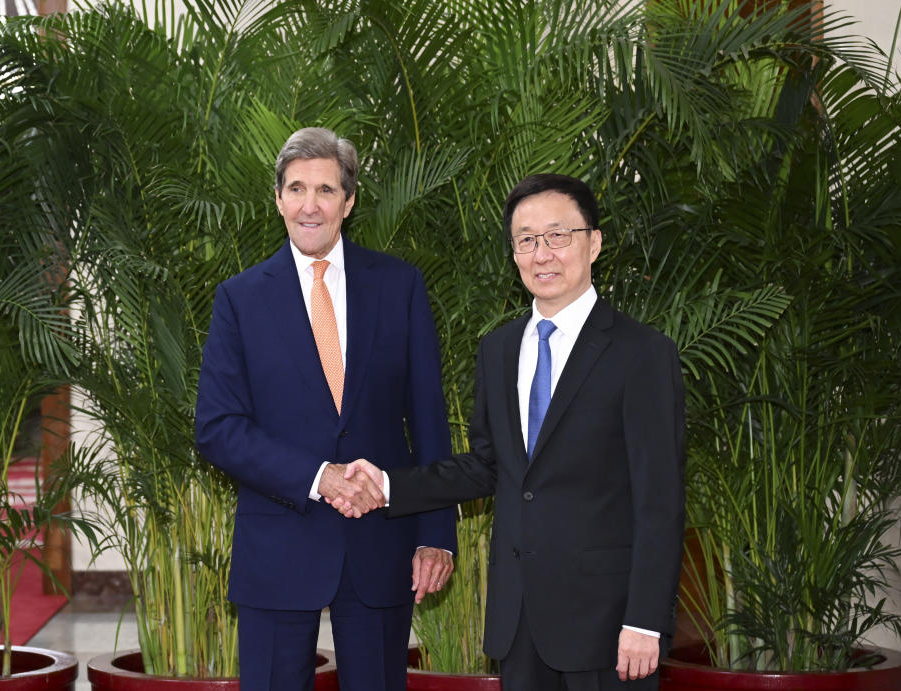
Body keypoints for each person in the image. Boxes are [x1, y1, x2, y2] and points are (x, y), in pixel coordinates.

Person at [336, 174, 686, 691]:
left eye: (557, 236)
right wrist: (388, 485)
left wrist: (644, 619)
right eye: (526, 240)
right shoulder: (498, 350)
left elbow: (660, 498)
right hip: (519, 620)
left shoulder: (641, 353)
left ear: (594, 242)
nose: (541, 254)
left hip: (610, 626)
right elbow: (487, 465)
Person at [194, 127, 456, 691]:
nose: (309, 205)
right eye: (296, 189)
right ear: (278, 198)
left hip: (381, 547)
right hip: (278, 546)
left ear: (349, 201)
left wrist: (437, 533)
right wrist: (319, 478)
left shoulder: (400, 286)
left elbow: (429, 420)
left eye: (326, 190)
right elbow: (218, 428)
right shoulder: (239, 299)